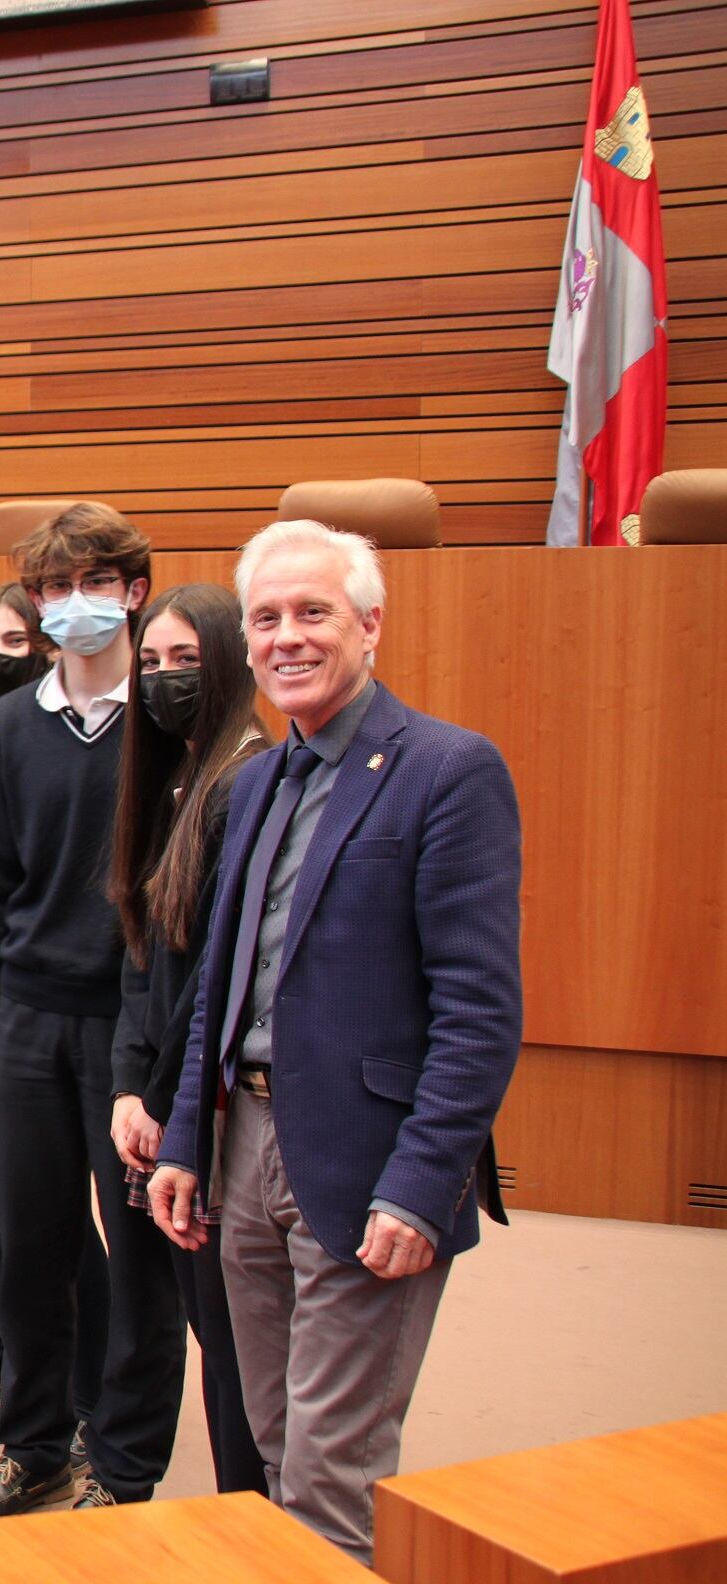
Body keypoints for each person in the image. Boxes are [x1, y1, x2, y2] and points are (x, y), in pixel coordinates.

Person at [149, 520, 520, 1565]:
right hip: (245, 1151)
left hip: (368, 1164)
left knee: (331, 1470)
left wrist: (421, 1184)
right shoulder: (259, 780)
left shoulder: (448, 770)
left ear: (370, 625)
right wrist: (187, 1139)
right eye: (266, 619)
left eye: (313, 613)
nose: (287, 637)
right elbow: (219, 985)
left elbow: (479, 1009)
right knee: (266, 1450)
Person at [0, 504, 186, 1518]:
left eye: (92, 584)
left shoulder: (169, 714)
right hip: (31, 1020)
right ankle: (33, 1442)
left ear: (133, 592)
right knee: (30, 1245)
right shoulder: (11, 722)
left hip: (132, 1026)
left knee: (136, 1262)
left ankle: (123, 1460)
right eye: (52, 588)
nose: (69, 605)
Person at [0, 586, 110, 1448]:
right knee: (21, 1227)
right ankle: (24, 1403)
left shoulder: (115, 727)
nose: (3, 655)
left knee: (101, 1236)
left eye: (18, 639)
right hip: (5, 1002)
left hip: (103, 1012)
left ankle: (101, 1405)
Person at [106, 584, 268, 1495]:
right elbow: (143, 956)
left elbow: (218, 983)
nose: (165, 679)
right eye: (152, 664)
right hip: (158, 1095)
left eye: (185, 661)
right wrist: (129, 1085)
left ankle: (256, 1520)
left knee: (234, 1340)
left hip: (207, 1111)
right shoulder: (176, 776)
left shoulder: (248, 782)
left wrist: (164, 1110)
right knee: (210, 1327)